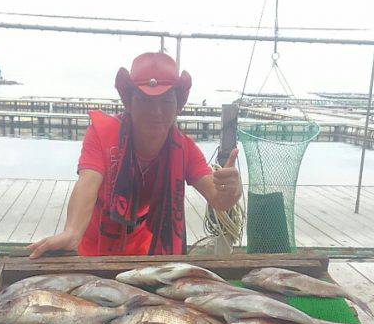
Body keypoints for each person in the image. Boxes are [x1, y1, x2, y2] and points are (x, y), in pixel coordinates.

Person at [29, 52, 242, 258]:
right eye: (146, 101)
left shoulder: (184, 149)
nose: (156, 112)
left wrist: (232, 191)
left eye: (166, 101)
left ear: (178, 106)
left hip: (146, 253)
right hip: (94, 250)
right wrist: (72, 232)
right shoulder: (102, 133)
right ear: (129, 103)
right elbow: (88, 181)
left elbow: (218, 200)